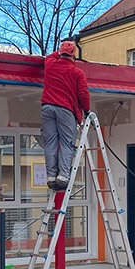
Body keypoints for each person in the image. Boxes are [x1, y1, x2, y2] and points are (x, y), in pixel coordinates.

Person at [40, 39, 91, 192]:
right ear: (74, 54)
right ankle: (62, 176)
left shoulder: (50, 64)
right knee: (67, 143)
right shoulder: (77, 73)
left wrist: (60, 50)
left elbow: (50, 56)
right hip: (65, 109)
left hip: (47, 107)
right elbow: (83, 94)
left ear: (60, 53)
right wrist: (86, 111)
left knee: (50, 143)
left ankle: (50, 176)